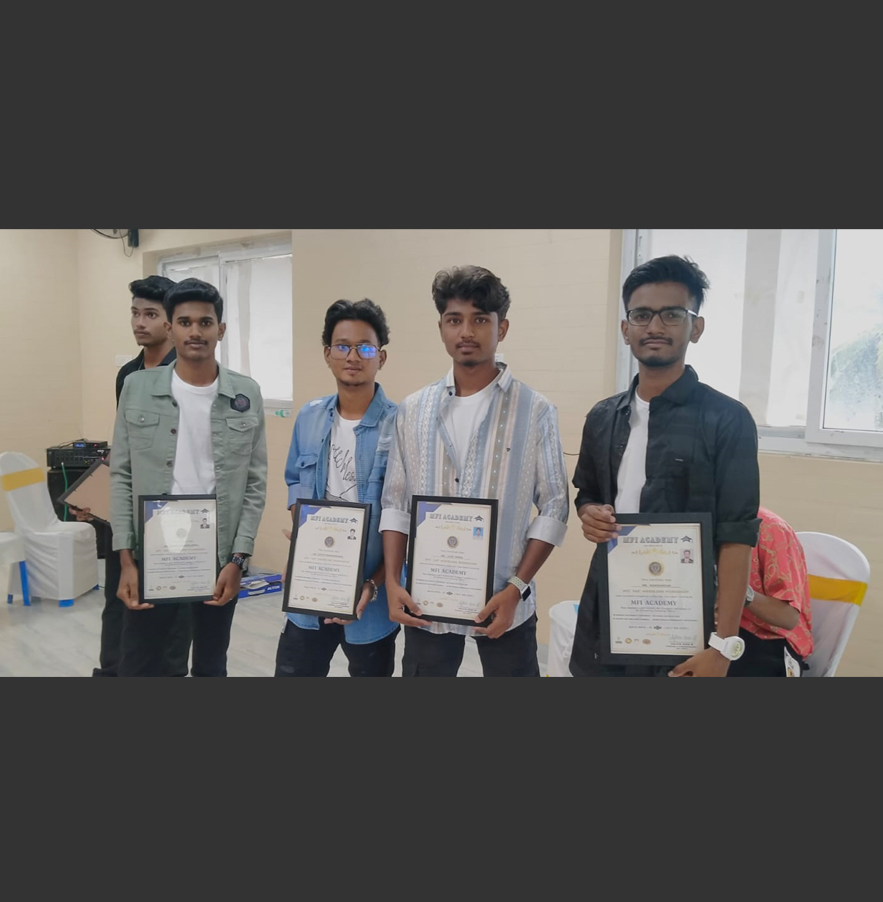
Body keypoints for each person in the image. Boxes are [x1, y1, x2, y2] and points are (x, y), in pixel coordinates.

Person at [571, 255, 760, 677]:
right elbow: (588, 494)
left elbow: (737, 536)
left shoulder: (727, 420)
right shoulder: (602, 417)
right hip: (610, 607)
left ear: (696, 327)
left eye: (672, 314)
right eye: (641, 315)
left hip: (687, 621)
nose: (654, 326)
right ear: (626, 329)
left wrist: (723, 646)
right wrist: (590, 514)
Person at [380, 265, 569, 677]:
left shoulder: (535, 410)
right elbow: (394, 503)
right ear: (441, 328)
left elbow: (555, 506)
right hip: (426, 599)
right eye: (454, 320)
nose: (466, 331)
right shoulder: (413, 410)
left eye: (480, 319)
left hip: (505, 600)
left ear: (502, 328)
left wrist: (517, 587)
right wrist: (393, 581)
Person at [109, 278, 267, 677]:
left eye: (205, 322)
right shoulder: (136, 387)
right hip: (153, 550)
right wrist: (127, 560)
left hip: (218, 554)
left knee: (211, 664)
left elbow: (254, 483)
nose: (195, 331)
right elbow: (122, 475)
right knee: (140, 662)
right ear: (171, 328)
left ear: (221, 329)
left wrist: (238, 560)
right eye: (184, 322)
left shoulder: (245, 393)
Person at [276, 299, 399, 677]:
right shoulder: (310, 417)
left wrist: (374, 583)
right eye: (342, 346)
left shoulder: (400, 426)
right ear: (327, 354)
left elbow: (404, 518)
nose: (353, 357)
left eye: (365, 348)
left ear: (381, 357)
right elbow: (295, 480)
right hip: (311, 586)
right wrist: (303, 537)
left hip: (371, 595)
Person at [79, 276, 192, 677]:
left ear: (170, 322)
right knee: (117, 597)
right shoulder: (128, 374)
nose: (140, 323)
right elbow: (123, 447)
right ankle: (113, 671)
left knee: (172, 608)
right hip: (127, 509)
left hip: (174, 513)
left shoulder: (188, 373)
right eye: (135, 313)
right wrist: (94, 496)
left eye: (150, 314)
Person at [726, 506, 813, 677]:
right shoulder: (691, 525)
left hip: (770, 640)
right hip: (716, 632)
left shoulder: (771, 528)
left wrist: (738, 590)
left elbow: (788, 617)